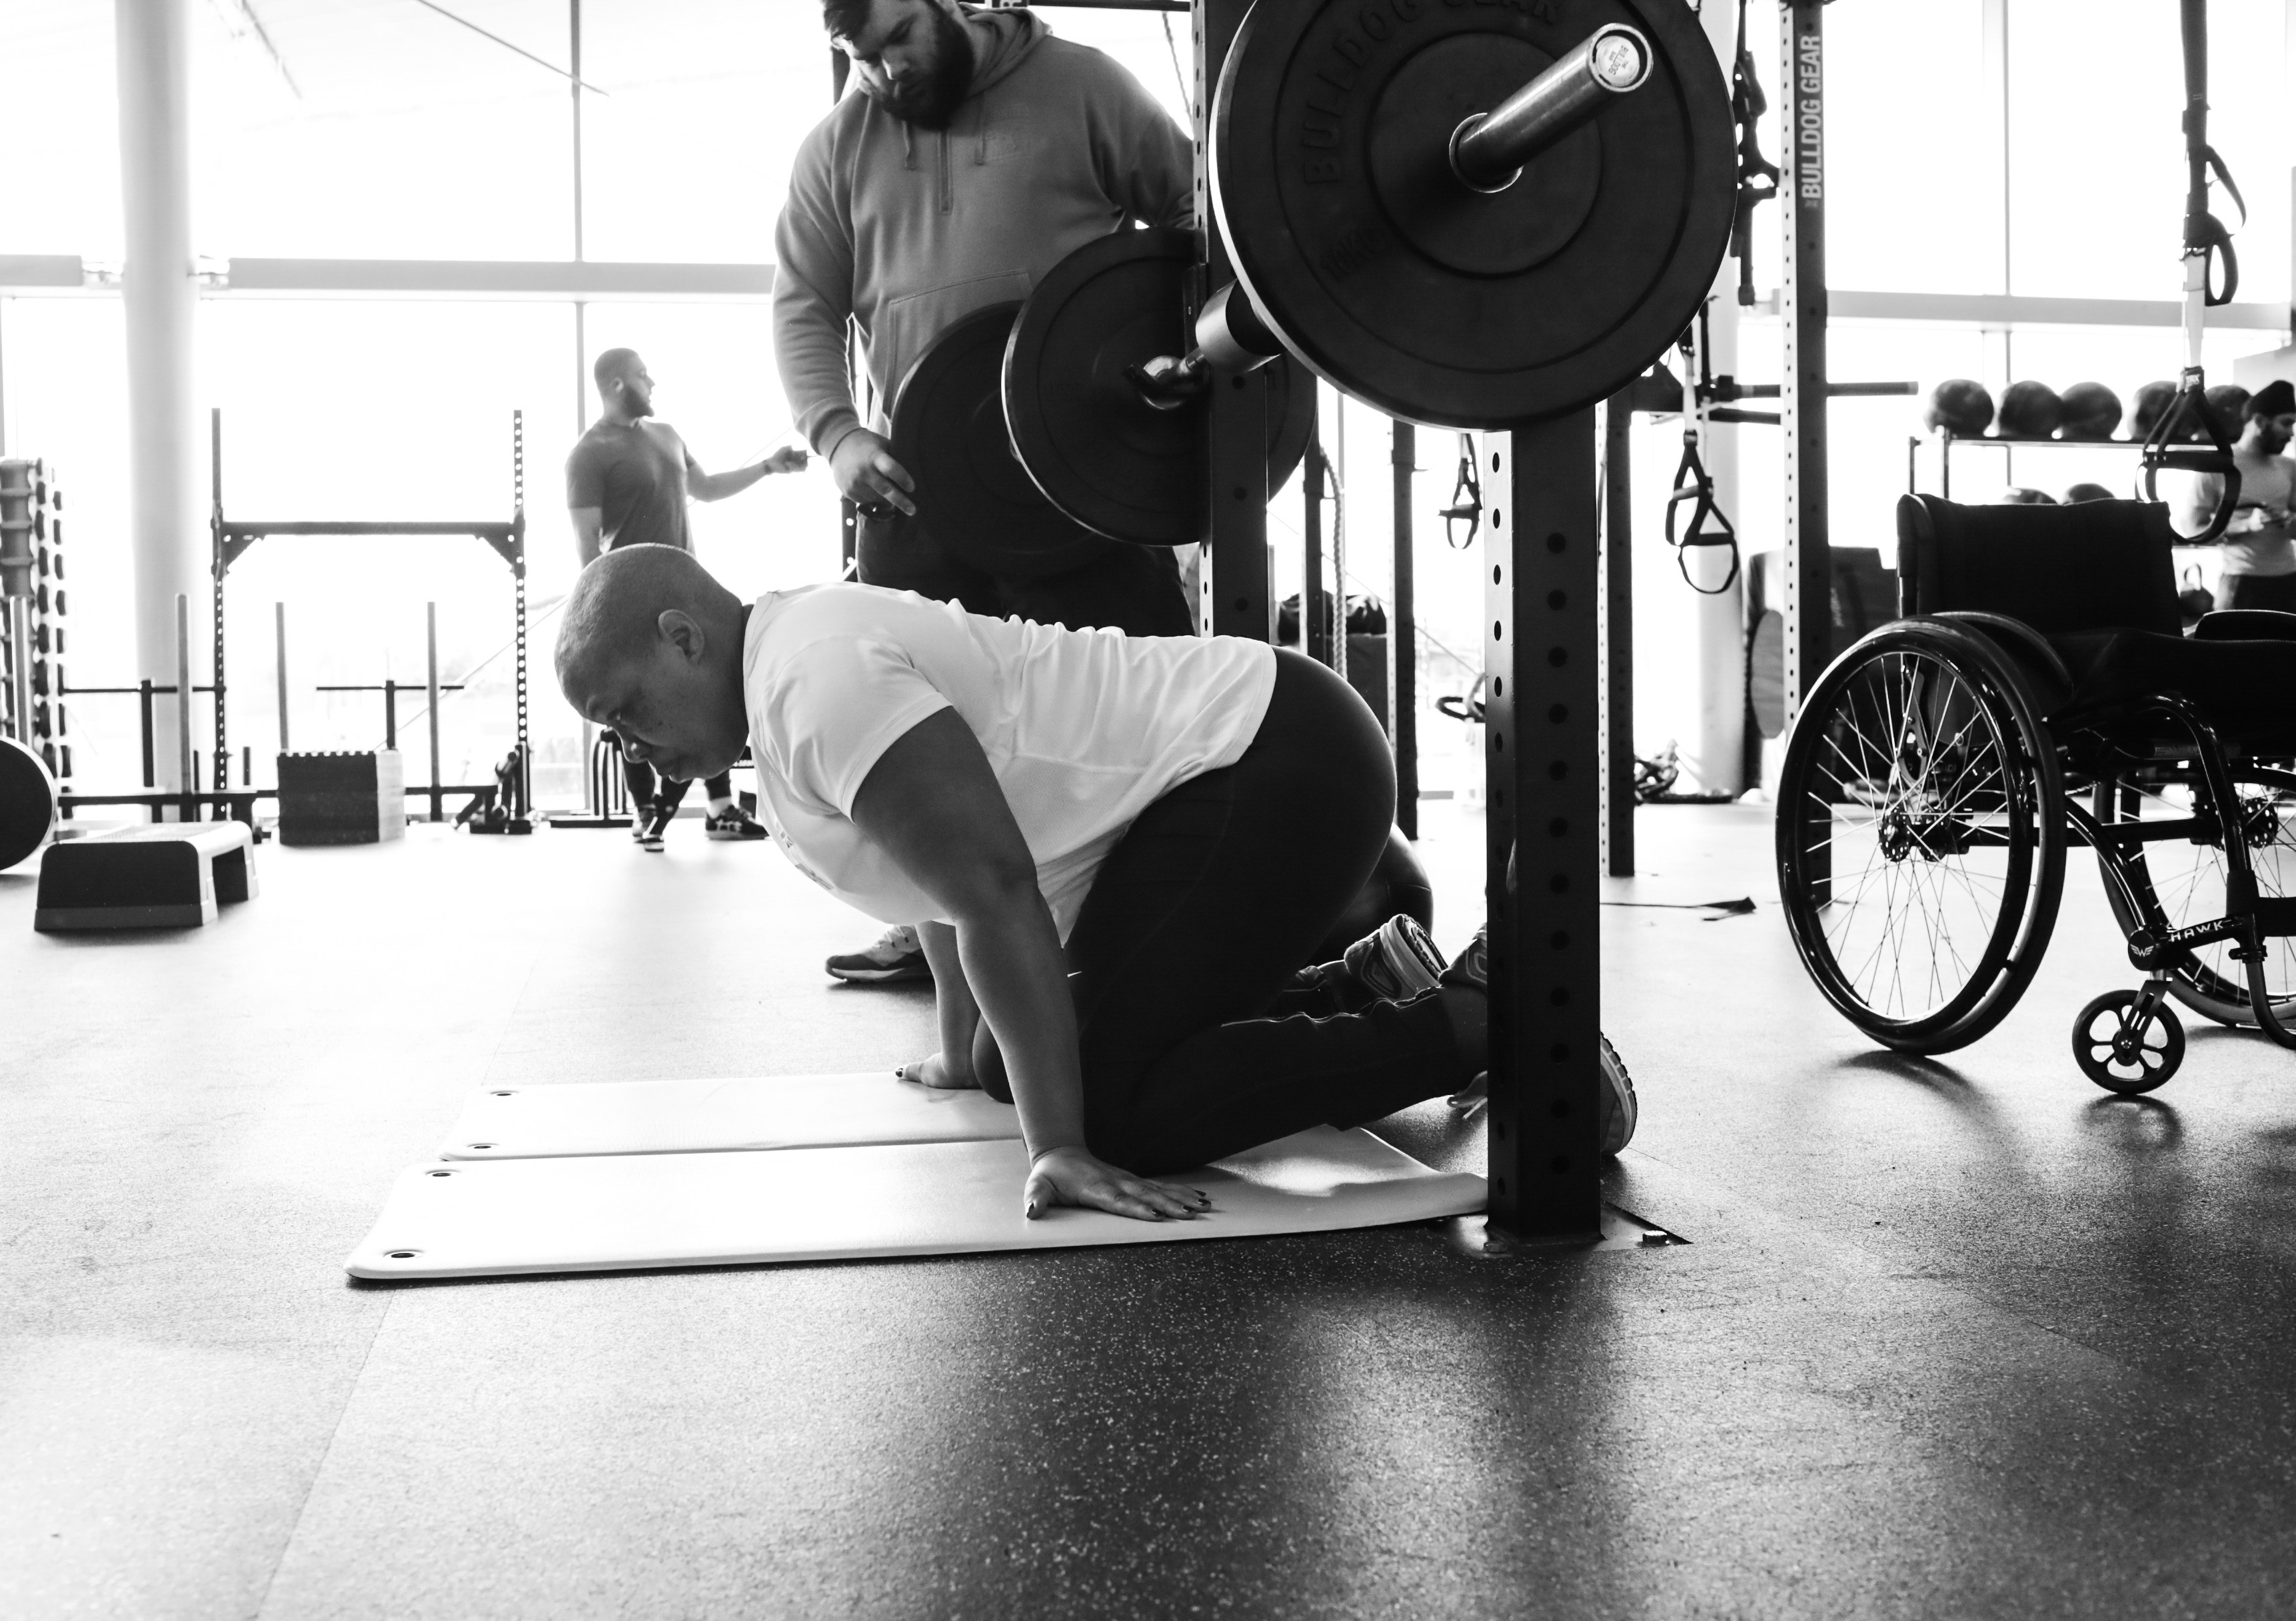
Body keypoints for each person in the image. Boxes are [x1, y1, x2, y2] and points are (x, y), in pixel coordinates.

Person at [553, 545, 1637, 1222]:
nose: (632, 748)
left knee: (1115, 1112)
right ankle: (1360, 984)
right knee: (1008, 1062)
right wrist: (957, 1051)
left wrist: (1060, 1150)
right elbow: (931, 882)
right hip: (1220, 786)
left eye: (625, 712)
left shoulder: (811, 679)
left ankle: (1488, 1017)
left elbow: (993, 892)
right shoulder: (783, 676)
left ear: (683, 638)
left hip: (1272, 761)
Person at [776, 0, 1200, 979]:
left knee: (1138, 704)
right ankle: (933, 921)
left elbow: (1197, 217)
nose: (885, 72)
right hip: (921, 489)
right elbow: (802, 305)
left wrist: (1167, 349)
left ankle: (1156, 921)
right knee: (911, 723)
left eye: (897, 40)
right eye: (861, 58)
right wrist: (837, 434)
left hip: (1081, 481)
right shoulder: (837, 148)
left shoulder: (1084, 86)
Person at [567, 347, 809, 846]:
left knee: (706, 683)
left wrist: (769, 467)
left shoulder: (667, 435)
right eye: (642, 375)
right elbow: (587, 546)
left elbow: (709, 487)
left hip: (682, 590)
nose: (651, 383)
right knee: (631, 706)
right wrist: (600, 618)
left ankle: (719, 809)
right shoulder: (589, 454)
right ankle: (644, 811)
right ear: (616, 384)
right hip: (630, 603)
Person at [2173, 378, 2296, 614]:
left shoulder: (2290, 467)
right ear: (2259, 421)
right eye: (2286, 423)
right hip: (2241, 584)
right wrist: (2246, 525)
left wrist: (2290, 521)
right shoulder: (2217, 467)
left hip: (2290, 581)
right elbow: (2193, 530)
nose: (2291, 433)